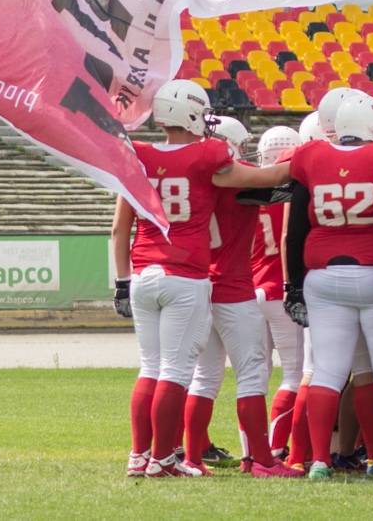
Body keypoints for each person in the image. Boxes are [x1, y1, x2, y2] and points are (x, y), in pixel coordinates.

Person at [110, 80, 292, 478]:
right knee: (223, 371)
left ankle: (156, 455)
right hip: (202, 280)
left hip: (146, 272)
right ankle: (190, 459)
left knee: (162, 369)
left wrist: (121, 281)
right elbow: (273, 182)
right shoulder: (214, 162)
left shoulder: (139, 157)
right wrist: (314, 157)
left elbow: (119, 228)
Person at [282, 93, 373, 480]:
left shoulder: (312, 155)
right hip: (372, 270)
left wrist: (294, 285)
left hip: (322, 274)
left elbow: (293, 226)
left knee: (327, 372)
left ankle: (318, 460)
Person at [182, 115, 300, 477]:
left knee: (204, 377)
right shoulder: (238, 178)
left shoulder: (192, 177)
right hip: (234, 288)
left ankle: (191, 457)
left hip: (204, 284)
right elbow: (282, 185)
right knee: (251, 374)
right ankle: (262, 459)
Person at [250, 126, 307, 467]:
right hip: (279, 288)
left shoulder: (248, 190)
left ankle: (249, 454)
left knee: (254, 375)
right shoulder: (294, 191)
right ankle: (274, 450)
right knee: (295, 373)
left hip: (252, 286)